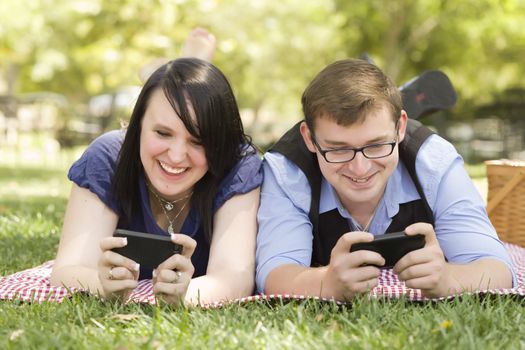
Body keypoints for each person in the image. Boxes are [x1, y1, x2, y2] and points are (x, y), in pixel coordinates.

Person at [255, 58, 516, 301]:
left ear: (401, 127)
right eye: (338, 149)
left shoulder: (434, 161)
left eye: (377, 145)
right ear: (310, 138)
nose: (360, 168)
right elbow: (273, 276)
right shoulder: (287, 170)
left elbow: (497, 269)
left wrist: (448, 279)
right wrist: (326, 282)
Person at [50, 28, 262, 305]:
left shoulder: (238, 163)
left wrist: (186, 296)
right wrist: (102, 286)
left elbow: (234, 277)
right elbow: (68, 269)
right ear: (137, 127)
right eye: (163, 133)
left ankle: (189, 65)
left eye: (198, 140)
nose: (176, 156)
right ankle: (187, 66)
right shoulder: (107, 156)